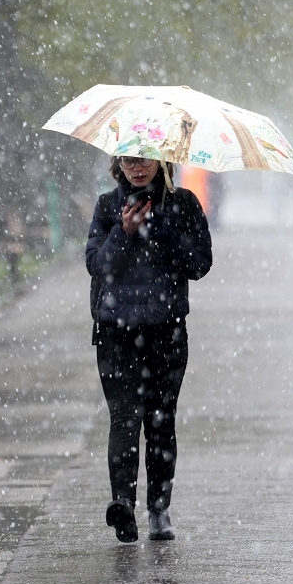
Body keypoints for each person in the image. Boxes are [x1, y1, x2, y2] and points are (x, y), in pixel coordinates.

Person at [85, 156, 212, 543]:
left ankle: (159, 510)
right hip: (115, 333)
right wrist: (123, 232)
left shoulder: (184, 204)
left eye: (145, 159)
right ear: (117, 163)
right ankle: (123, 503)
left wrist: (159, 228)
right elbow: (96, 266)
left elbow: (199, 263)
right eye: (128, 160)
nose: (137, 168)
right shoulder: (108, 206)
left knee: (160, 421)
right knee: (124, 418)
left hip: (166, 332)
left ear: (162, 160)